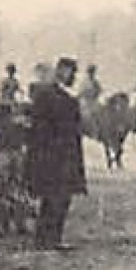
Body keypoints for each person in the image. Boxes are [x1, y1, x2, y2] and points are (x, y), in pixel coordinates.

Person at [26, 57, 87, 249]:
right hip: (53, 156)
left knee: (60, 198)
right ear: (61, 70)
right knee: (54, 198)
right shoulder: (47, 94)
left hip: (65, 155)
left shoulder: (62, 94)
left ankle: (49, 239)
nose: (74, 77)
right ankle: (48, 240)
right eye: (72, 72)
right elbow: (41, 127)